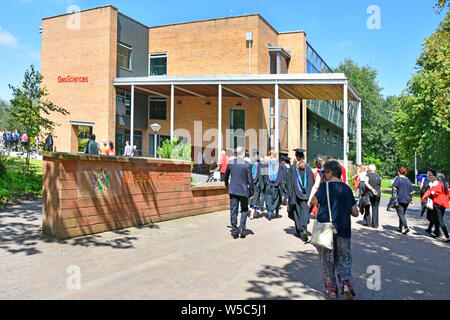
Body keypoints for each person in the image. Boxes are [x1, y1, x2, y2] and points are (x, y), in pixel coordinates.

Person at [311, 160, 359, 300]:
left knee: (327, 260)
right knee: (344, 259)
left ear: (330, 173)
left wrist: (319, 183)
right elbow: (355, 212)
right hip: (343, 229)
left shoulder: (324, 187)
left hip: (325, 229)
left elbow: (314, 201)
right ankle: (345, 284)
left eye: (325, 172)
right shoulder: (346, 188)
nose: (324, 175)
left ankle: (331, 290)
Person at [224, 146, 254, 239]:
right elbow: (250, 180)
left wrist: (226, 184)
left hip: (233, 190)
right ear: (243, 154)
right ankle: (242, 228)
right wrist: (252, 192)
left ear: (235, 154)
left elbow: (226, 175)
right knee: (244, 209)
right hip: (244, 191)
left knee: (233, 210)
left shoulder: (231, 163)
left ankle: (234, 230)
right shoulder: (247, 164)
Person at [287, 148, 315, 242]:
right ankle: (304, 229)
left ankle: (299, 230)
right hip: (306, 195)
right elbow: (311, 182)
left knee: (297, 211)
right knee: (305, 211)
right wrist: (309, 194)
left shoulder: (293, 167)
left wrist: (290, 195)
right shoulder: (308, 168)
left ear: (296, 156)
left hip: (296, 195)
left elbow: (289, 182)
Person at [421, 171, 450, 241]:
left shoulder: (437, 184)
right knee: (438, 219)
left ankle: (447, 236)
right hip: (444, 204)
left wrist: (423, 199)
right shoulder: (445, 185)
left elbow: (430, 192)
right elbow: (448, 195)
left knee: (439, 220)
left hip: (437, 204)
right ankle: (436, 232)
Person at [262, 150, 285, 221]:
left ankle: (269, 212)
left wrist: (263, 185)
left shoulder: (265, 165)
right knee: (276, 199)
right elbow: (283, 177)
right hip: (277, 185)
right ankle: (272, 211)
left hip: (268, 185)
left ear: (270, 156)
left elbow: (262, 176)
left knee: (268, 198)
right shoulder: (281, 166)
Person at [392, 167, 414, 235]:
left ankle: (406, 227)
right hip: (407, 199)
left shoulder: (398, 179)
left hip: (400, 198)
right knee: (403, 213)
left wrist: (396, 192)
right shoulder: (408, 180)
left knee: (400, 214)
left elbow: (394, 186)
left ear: (399, 172)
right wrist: (411, 200)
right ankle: (400, 227)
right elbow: (411, 192)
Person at [249, 153, 264, 219]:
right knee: (256, 196)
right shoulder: (261, 165)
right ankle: (252, 211)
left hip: (252, 182)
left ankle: (254, 211)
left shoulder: (251, 165)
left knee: (252, 195)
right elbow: (264, 176)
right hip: (258, 183)